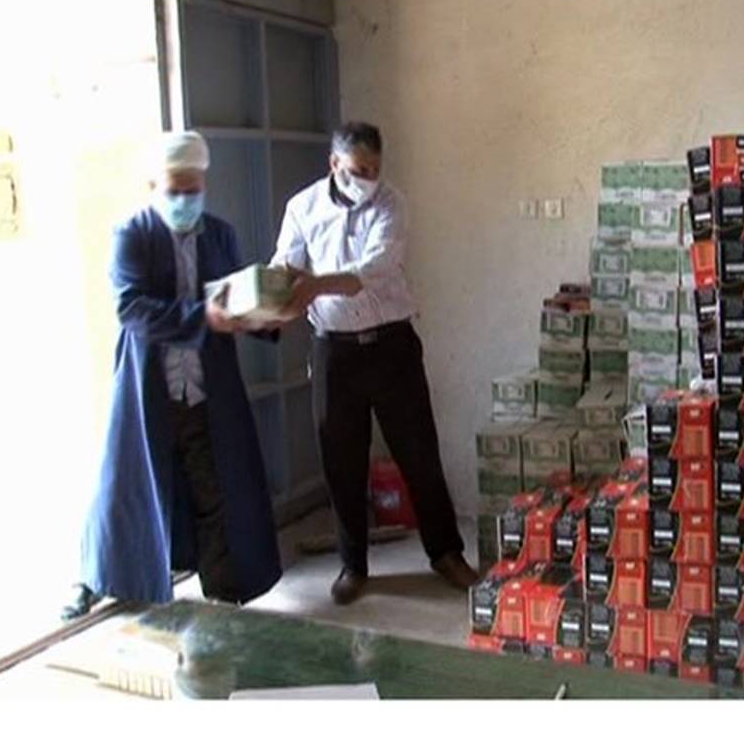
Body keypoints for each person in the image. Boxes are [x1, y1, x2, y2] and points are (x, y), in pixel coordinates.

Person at [62, 131, 282, 620]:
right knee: (127, 488)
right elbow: (131, 308)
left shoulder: (219, 234)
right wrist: (203, 317)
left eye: (193, 190)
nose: (184, 200)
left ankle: (226, 594)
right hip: (150, 386)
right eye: (174, 190)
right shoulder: (133, 234)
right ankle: (97, 578)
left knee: (217, 487)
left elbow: (235, 297)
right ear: (152, 186)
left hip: (207, 387)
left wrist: (267, 313)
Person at [269, 121, 479, 605]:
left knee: (419, 453)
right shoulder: (302, 207)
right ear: (334, 164)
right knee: (341, 461)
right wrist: (271, 298)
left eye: (374, 170)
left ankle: (446, 553)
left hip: (391, 346)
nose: (367, 179)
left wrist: (313, 285)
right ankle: (353, 565)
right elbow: (286, 266)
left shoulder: (391, 203)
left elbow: (374, 268)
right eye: (357, 170)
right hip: (333, 351)